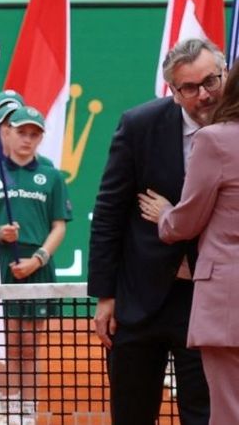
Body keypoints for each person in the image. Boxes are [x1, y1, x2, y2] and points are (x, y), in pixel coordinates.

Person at [88, 37, 219, 425]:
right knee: (133, 413)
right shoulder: (139, 125)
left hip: (207, 299)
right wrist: (105, 295)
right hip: (139, 298)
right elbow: (109, 211)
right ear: (174, 92)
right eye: (190, 88)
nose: (205, 94)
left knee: (206, 413)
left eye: (211, 80)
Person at [140, 68, 239, 425]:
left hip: (228, 302)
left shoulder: (215, 140)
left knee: (229, 412)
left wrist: (166, 215)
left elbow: (187, 221)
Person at [0, 106, 72, 420]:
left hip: (36, 267)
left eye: (34, 134)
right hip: (3, 266)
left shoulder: (51, 175)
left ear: (41, 138)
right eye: (21, 132)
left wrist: (38, 259)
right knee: (6, 339)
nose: (27, 139)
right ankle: (7, 402)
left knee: (30, 342)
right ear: (8, 132)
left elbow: (59, 226)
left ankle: (27, 407)